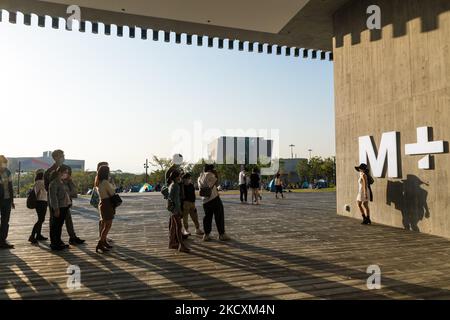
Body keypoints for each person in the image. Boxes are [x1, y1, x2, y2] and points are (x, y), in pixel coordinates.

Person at [198, 164, 230, 242]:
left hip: (205, 200)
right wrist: (216, 175)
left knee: (207, 217)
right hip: (213, 198)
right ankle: (221, 234)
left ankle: (206, 235)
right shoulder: (209, 174)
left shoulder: (200, 176)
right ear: (210, 169)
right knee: (219, 216)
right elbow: (214, 183)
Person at [48, 165, 72, 251]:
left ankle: (58, 241)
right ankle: (54, 243)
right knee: (56, 225)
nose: (66, 174)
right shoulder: (54, 183)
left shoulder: (62, 182)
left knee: (59, 225)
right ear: (60, 172)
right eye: (65, 172)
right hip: (59, 207)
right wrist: (56, 209)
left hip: (64, 206)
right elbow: (53, 197)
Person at [167, 170, 190, 253]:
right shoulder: (176, 186)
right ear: (177, 177)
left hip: (172, 209)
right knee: (179, 227)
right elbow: (176, 200)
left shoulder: (171, 185)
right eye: (179, 176)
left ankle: (172, 243)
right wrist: (179, 211)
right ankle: (181, 245)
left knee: (173, 227)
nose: (180, 177)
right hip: (176, 209)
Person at [95, 165, 116, 253]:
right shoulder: (105, 182)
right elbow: (112, 192)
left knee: (105, 224)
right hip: (107, 204)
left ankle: (103, 242)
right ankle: (100, 243)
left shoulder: (98, 182)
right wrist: (112, 185)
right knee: (108, 225)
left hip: (102, 203)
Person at [63, 167, 85, 245]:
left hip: (66, 205)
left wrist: (70, 181)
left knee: (69, 222)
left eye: (68, 173)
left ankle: (72, 237)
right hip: (60, 205)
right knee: (58, 224)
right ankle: (58, 240)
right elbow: (70, 193)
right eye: (66, 173)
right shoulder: (59, 182)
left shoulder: (67, 182)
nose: (67, 175)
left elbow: (74, 193)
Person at [29, 169, 48, 244]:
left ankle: (38, 235)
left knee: (40, 219)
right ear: (42, 174)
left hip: (39, 202)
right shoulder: (41, 182)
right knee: (41, 220)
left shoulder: (36, 182)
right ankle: (32, 236)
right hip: (42, 202)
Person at [0, 155, 15, 249]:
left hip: (7, 199)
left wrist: (12, 200)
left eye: (5, 163)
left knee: (5, 221)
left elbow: (10, 187)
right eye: (2, 163)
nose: (4, 165)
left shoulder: (8, 172)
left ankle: (2, 241)